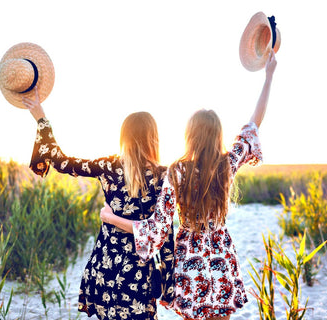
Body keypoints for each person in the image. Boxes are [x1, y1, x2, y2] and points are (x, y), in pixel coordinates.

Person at [99, 50, 277, 320]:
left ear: (189, 136)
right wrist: (269, 76)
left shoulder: (177, 172)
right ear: (218, 135)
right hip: (221, 254)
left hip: (188, 258)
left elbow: (156, 230)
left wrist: (112, 218)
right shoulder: (226, 165)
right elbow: (254, 123)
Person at [23, 88, 175, 320]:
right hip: (139, 271)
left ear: (124, 137)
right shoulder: (163, 176)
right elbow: (165, 234)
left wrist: (41, 119)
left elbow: (61, 162)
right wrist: (168, 282)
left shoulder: (108, 167)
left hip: (106, 264)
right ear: (153, 137)